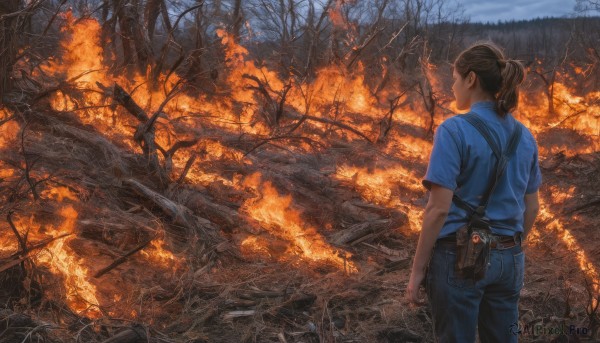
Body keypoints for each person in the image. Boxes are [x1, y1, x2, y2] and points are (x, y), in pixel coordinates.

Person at [406, 42, 542, 342]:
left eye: (455, 78)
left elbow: (438, 209)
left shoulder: (453, 130)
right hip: (510, 258)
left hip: (460, 258)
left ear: (471, 79)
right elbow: (532, 207)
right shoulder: (525, 136)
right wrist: (511, 247)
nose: (452, 86)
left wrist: (417, 273)